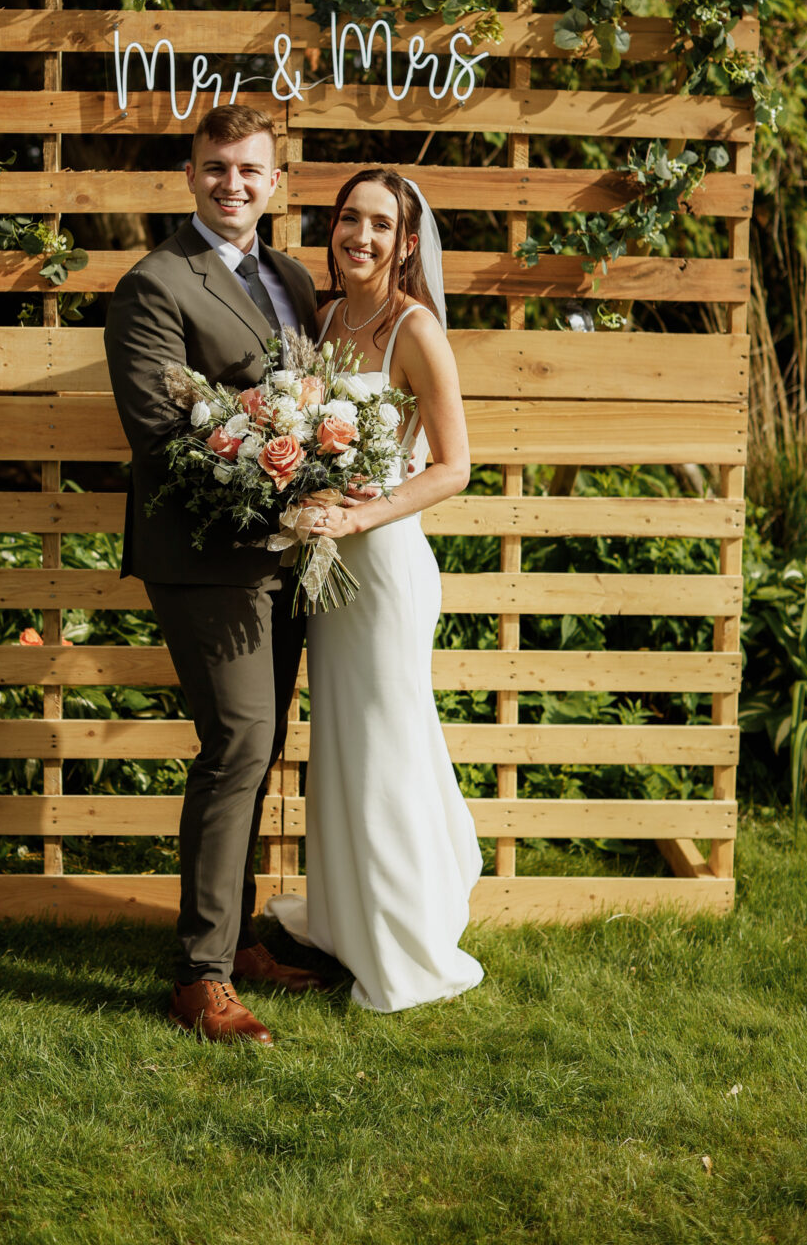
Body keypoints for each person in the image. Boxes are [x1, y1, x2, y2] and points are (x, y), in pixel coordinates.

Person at [105, 103, 328, 1047]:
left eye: (249, 169)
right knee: (237, 742)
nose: (231, 184)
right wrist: (274, 484)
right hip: (205, 558)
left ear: (275, 182)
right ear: (189, 176)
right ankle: (199, 977)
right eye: (214, 168)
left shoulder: (291, 275)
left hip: (290, 558)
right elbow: (162, 431)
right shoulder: (154, 284)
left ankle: (236, 944)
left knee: (261, 744)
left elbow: (315, 397)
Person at [266, 167, 485, 1012]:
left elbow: (454, 467)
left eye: (380, 226)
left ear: (403, 242)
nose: (360, 236)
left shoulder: (414, 329)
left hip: (387, 569)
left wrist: (363, 516)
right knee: (347, 751)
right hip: (331, 572)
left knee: (387, 747)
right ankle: (347, 923)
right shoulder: (323, 320)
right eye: (349, 220)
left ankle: (404, 946)